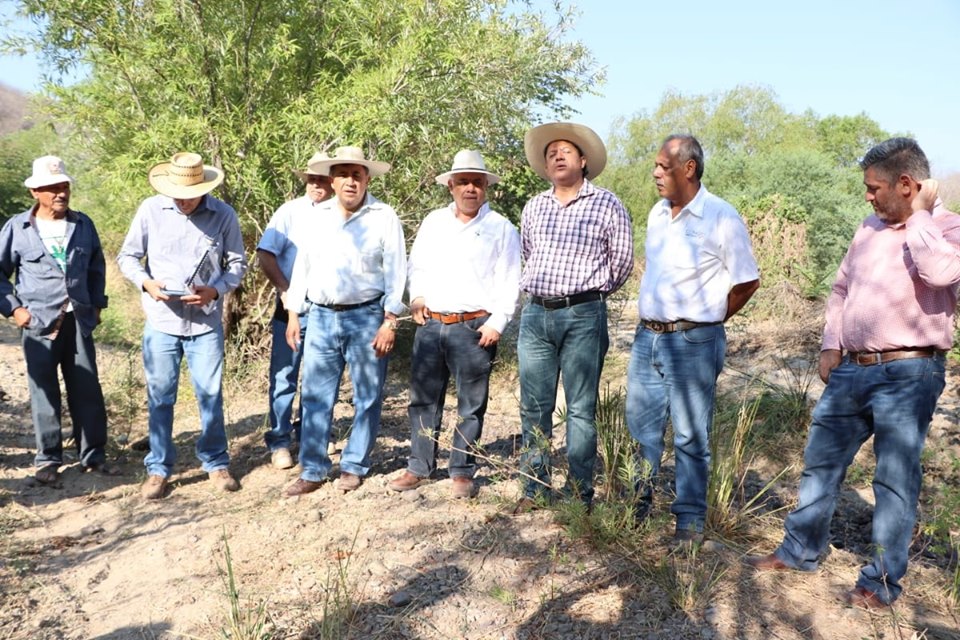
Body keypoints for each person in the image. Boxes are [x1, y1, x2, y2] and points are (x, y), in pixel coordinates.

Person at [746, 138, 960, 609]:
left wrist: (921, 216)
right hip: (851, 371)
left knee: (894, 480)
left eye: (874, 187)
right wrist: (830, 343)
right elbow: (841, 288)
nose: (867, 196)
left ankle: (880, 583)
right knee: (821, 463)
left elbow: (942, 274)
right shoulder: (868, 228)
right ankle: (800, 550)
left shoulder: (948, 228)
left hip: (911, 372)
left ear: (907, 185)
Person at [626, 134, 760, 542]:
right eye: (655, 166)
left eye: (663, 166)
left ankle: (689, 522)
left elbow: (747, 281)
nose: (655, 173)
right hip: (647, 338)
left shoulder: (720, 216)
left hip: (692, 342)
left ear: (689, 168)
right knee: (641, 428)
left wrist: (711, 321)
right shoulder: (656, 214)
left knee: (689, 434)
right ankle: (636, 508)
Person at [388, 150, 521, 499]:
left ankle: (462, 469)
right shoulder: (434, 222)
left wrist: (498, 323)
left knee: (471, 403)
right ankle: (419, 466)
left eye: (477, 182)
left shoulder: (501, 228)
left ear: (486, 187)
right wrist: (416, 298)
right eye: (463, 182)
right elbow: (418, 266)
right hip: (432, 323)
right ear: (451, 186)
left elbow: (510, 279)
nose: (471, 189)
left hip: (474, 326)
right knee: (423, 399)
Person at [515, 122, 634, 511]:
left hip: (584, 314)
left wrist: (588, 295)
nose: (558, 156)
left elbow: (621, 263)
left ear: (583, 161)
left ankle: (579, 493)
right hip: (536, 316)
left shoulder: (607, 204)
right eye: (551, 154)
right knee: (534, 405)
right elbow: (528, 254)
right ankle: (534, 486)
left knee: (580, 409)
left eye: (566, 151)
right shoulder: (534, 206)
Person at [117, 152, 248, 500]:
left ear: (204, 188)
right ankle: (158, 468)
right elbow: (127, 257)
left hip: (205, 323)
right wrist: (147, 284)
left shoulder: (223, 215)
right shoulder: (150, 210)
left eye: (189, 193)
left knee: (210, 394)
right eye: (177, 192)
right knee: (160, 397)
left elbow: (237, 264)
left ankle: (217, 464)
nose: (183, 199)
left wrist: (215, 290)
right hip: (161, 321)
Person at [282, 146, 406, 497]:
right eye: (344, 175)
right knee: (316, 395)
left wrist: (390, 319)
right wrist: (294, 313)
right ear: (332, 180)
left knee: (367, 395)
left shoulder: (383, 216)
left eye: (358, 174)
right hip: (320, 316)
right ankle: (314, 468)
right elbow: (301, 268)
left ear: (367, 179)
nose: (351, 181)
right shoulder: (316, 217)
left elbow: (397, 270)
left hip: (367, 316)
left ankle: (353, 465)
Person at [0, 156, 113, 484]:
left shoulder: (83, 224)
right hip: (37, 322)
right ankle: (47, 460)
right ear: (35, 191)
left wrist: (97, 306)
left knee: (86, 387)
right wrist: (15, 310)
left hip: (77, 318)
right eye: (51, 188)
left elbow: (96, 267)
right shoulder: (17, 229)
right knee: (43, 390)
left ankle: (93, 456)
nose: (60, 193)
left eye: (64, 186)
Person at [257, 151, 334, 469]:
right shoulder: (288, 213)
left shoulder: (342, 213)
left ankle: (311, 438)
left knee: (320, 377)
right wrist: (286, 290)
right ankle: (279, 440)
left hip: (328, 308)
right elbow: (265, 254)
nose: (316, 184)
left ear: (333, 182)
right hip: (291, 306)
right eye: (312, 178)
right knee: (285, 374)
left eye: (322, 179)